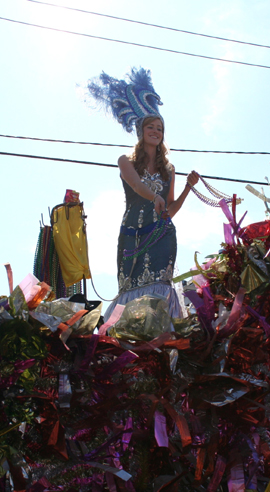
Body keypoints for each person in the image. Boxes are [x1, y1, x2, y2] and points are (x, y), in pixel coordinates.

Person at [87, 68, 199, 319]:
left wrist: (187, 189)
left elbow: (169, 210)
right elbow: (137, 185)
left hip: (162, 234)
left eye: (160, 128)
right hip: (133, 232)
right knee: (132, 285)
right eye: (151, 126)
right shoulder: (125, 161)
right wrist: (153, 197)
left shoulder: (169, 170)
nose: (156, 131)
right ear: (141, 130)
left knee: (160, 285)